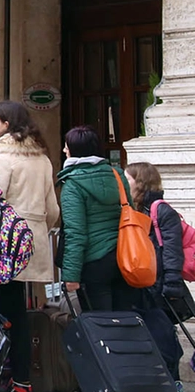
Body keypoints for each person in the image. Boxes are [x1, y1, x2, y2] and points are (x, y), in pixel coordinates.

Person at [0, 100, 59, 392]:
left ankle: (12, 379)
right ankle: (21, 381)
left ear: (6, 123)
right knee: (20, 312)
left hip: (6, 243)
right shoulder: (41, 159)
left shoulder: (2, 158)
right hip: (34, 241)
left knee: (4, 312)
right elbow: (53, 209)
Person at [126, 162, 190, 392]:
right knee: (156, 334)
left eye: (128, 179)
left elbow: (172, 251)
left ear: (140, 182)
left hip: (160, 286)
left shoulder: (161, 210)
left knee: (163, 336)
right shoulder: (135, 209)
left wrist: (171, 285)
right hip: (144, 283)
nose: (124, 183)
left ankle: (174, 384)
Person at [59, 125, 135, 312]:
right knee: (127, 322)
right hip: (123, 258)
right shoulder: (117, 175)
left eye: (67, 146)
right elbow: (130, 212)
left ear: (75, 151)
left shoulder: (72, 184)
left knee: (101, 325)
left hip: (93, 262)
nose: (64, 150)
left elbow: (75, 233)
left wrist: (71, 275)